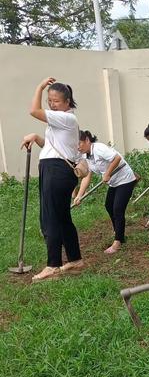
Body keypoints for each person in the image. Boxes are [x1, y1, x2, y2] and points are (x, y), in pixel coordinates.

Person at [21, 77, 83, 282]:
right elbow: (51, 146)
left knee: (51, 219)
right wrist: (36, 138)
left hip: (56, 171)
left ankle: (53, 265)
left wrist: (39, 86)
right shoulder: (62, 121)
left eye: (56, 100)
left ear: (67, 102)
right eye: (49, 100)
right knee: (62, 217)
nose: (51, 104)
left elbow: (33, 111)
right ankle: (75, 260)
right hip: (56, 169)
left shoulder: (66, 118)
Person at [74, 131, 137, 254]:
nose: (78, 147)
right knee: (109, 205)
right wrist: (79, 195)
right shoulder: (85, 156)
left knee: (118, 209)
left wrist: (107, 173)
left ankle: (118, 241)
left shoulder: (99, 148)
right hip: (114, 182)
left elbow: (117, 158)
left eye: (79, 143)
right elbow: (87, 176)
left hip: (125, 179)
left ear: (87, 140)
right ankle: (118, 231)